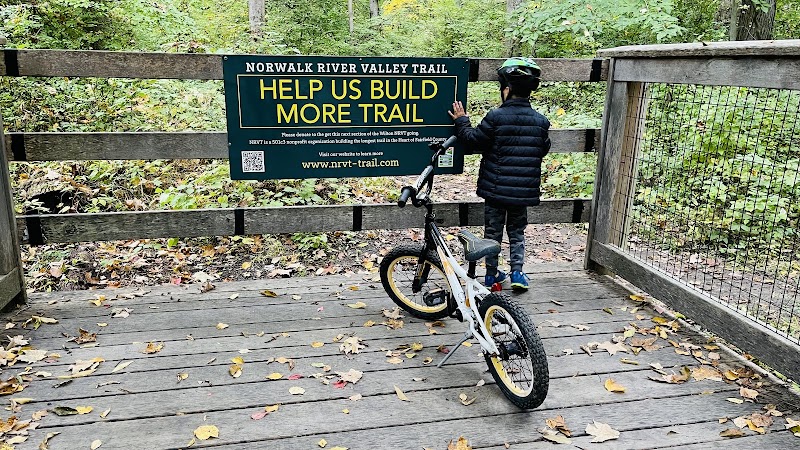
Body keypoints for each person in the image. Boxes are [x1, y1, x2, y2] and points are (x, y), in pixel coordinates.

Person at [448, 57, 551, 291]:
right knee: (517, 231)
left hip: (495, 190)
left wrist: (462, 121)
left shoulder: (495, 117)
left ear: (506, 89)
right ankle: (517, 273)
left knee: (492, 233)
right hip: (522, 192)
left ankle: (491, 275)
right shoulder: (541, 122)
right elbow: (543, 148)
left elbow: (474, 140)